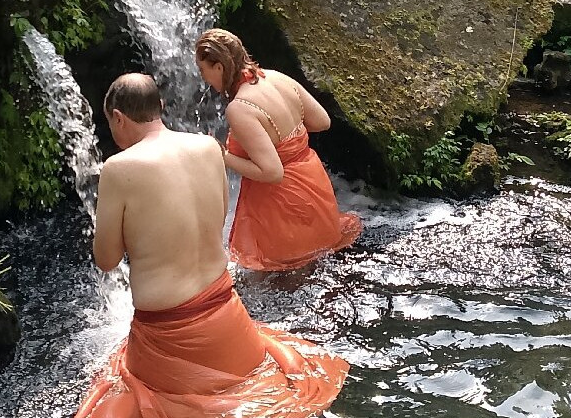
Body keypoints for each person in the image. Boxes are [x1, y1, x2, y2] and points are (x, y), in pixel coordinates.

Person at [74, 72, 348, 418]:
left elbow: (108, 260)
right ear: (160, 106)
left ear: (118, 117)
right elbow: (217, 217)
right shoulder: (206, 147)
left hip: (167, 337)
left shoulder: (118, 168)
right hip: (228, 319)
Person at [195, 29, 362, 272]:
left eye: (203, 70)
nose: (204, 78)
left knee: (289, 283)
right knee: (323, 270)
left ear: (219, 67)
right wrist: (288, 140)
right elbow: (322, 121)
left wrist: (223, 156)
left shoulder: (240, 108)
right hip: (315, 187)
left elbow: (273, 172)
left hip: (283, 207)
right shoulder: (276, 77)